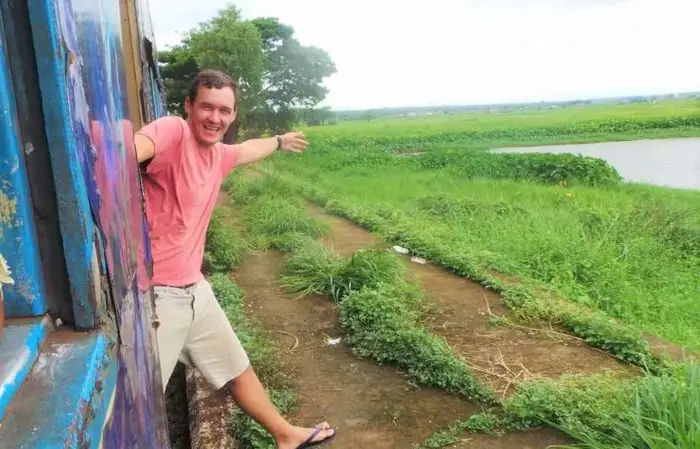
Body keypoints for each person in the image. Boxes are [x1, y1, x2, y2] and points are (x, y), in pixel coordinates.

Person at [133, 70, 335, 449]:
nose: (215, 118)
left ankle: (284, 434)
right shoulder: (173, 132)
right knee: (138, 404)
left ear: (233, 115)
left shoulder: (219, 155)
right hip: (160, 297)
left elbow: (247, 150)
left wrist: (279, 140)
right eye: (206, 107)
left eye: (224, 111)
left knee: (236, 366)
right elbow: (130, 151)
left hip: (194, 289)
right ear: (189, 106)